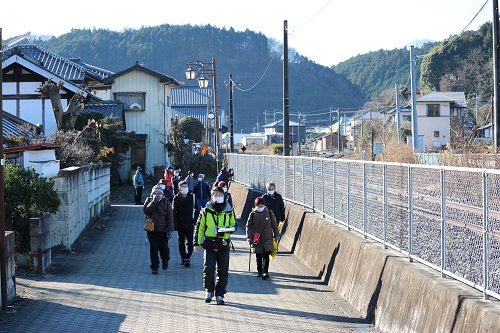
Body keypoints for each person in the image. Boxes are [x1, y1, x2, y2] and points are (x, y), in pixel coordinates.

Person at [193, 186, 236, 305]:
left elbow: (234, 225)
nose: (217, 197)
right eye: (214, 195)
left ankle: (220, 294)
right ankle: (209, 291)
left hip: (223, 244)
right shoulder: (206, 210)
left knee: (223, 270)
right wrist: (196, 243)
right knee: (209, 268)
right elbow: (199, 227)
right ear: (211, 196)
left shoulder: (229, 210)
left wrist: (226, 230)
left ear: (224, 196)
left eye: (219, 194)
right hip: (210, 244)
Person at [246, 197, 279, 280]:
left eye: (262, 206)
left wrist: (276, 235)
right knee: (258, 256)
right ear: (255, 205)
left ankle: (265, 272)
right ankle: (259, 271)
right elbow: (248, 226)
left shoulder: (269, 213)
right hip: (257, 239)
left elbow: (274, 225)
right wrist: (249, 237)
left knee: (266, 255)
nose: (260, 208)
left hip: (268, 237)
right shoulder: (252, 214)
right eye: (259, 206)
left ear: (264, 205)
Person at [143, 185, 174, 274]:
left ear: (162, 194)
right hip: (152, 229)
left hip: (163, 230)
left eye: (159, 193)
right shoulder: (149, 201)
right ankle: (155, 266)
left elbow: (170, 217)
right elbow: (146, 211)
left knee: (164, 248)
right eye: (155, 193)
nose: (157, 195)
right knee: (153, 248)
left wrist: (170, 230)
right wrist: (153, 202)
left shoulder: (166, 203)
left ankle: (165, 260)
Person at [173, 180, 200, 268]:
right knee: (181, 242)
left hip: (190, 223)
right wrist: (175, 224)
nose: (185, 188)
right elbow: (173, 212)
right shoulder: (176, 198)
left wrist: (194, 221)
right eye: (183, 187)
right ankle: (183, 257)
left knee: (190, 242)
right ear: (179, 188)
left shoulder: (192, 197)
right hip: (180, 224)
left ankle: (188, 257)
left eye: (186, 187)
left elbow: (197, 210)